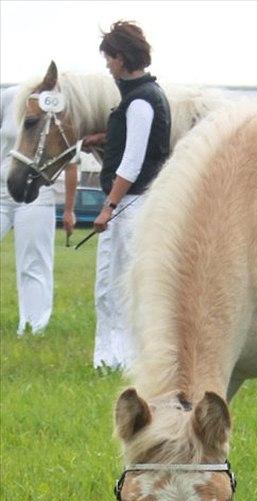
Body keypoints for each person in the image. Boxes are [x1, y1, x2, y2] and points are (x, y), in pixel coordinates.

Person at [89, 20, 171, 371]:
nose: (107, 64)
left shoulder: (139, 102)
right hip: (133, 204)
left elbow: (134, 162)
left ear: (121, 57)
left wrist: (108, 206)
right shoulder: (144, 98)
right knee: (112, 285)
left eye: (109, 58)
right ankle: (110, 359)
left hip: (130, 204)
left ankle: (119, 361)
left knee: (115, 286)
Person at [1, 85, 77, 336]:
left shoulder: (55, 106)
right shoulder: (7, 99)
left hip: (38, 192)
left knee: (34, 261)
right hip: (2, 189)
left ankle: (34, 327)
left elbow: (69, 161)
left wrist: (69, 209)